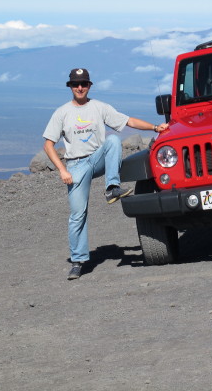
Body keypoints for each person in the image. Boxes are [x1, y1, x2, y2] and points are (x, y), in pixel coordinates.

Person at [43, 68, 169, 279]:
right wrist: (62, 170)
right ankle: (78, 260)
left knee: (112, 140)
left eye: (84, 83)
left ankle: (112, 187)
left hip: (97, 158)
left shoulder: (99, 107)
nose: (80, 87)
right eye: (76, 84)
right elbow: (48, 145)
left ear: (89, 85)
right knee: (77, 214)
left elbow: (128, 121)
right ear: (70, 87)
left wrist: (156, 127)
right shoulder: (62, 113)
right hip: (75, 166)